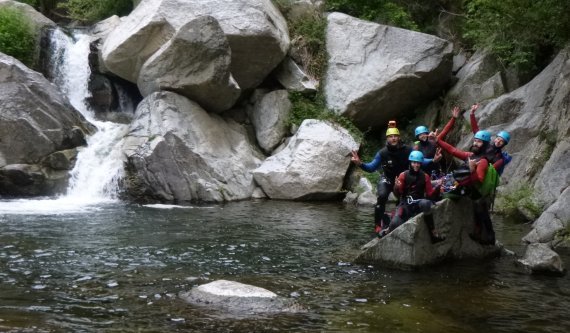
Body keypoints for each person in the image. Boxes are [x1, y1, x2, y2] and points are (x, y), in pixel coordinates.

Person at [430, 129, 497, 245]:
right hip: (463, 187)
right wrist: (438, 141)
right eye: (475, 140)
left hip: (466, 189)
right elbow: (452, 150)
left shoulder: (483, 162)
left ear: (485, 145)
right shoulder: (471, 156)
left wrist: (472, 170)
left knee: (442, 191)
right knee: (437, 184)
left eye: (479, 142)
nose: (475, 143)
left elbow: (479, 179)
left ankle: (484, 234)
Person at [351, 121, 413, 235]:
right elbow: (371, 168)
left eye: (395, 136)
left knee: (404, 199)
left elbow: (420, 162)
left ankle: (398, 218)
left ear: (399, 138)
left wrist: (433, 160)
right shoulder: (382, 153)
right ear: (387, 139)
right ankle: (378, 226)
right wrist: (360, 163)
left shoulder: (408, 150)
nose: (393, 138)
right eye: (390, 137)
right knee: (382, 196)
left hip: (403, 180)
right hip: (388, 179)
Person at [385, 151, 445, 243]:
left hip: (418, 203)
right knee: (395, 223)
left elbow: (430, 194)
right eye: (414, 163)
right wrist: (396, 187)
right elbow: (397, 194)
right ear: (410, 163)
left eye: (418, 163)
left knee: (426, 203)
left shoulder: (425, 176)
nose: (416, 165)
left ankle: (433, 233)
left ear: (421, 164)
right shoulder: (403, 175)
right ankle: (388, 230)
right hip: (405, 203)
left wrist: (437, 187)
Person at [469, 103, 512, 174]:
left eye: (501, 141)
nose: (498, 142)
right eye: (498, 139)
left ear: (504, 144)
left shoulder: (499, 157)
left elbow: (489, 170)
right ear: (495, 138)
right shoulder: (487, 144)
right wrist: (472, 114)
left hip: (477, 173)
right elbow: (476, 131)